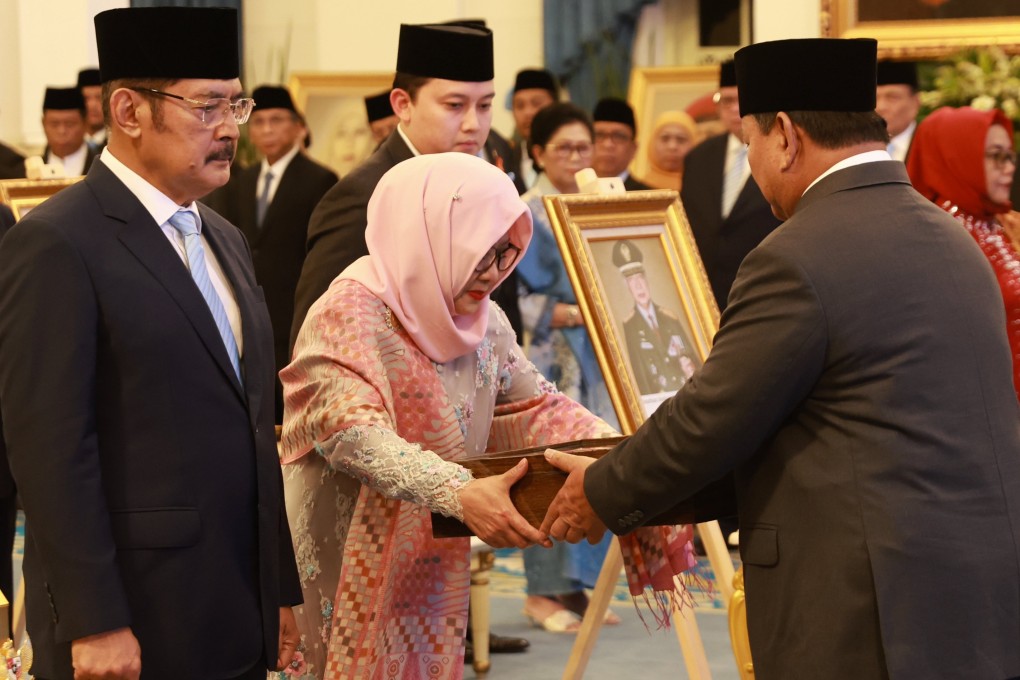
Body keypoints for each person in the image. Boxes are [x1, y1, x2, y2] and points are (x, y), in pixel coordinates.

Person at [540, 37, 1020, 680]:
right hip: (975, 594)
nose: (753, 163)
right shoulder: (951, 236)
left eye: (750, 145)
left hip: (867, 606)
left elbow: (712, 421)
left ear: (786, 136)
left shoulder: (796, 254)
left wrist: (598, 493)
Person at [0, 7, 302, 678]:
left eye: (236, 104)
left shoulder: (223, 238)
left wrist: (277, 583)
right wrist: (94, 620)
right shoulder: (57, 242)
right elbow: (49, 452)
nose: (230, 128)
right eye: (207, 107)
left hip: (235, 599)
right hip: (132, 615)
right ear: (130, 111)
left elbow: (254, 427)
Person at [280, 152, 613, 676]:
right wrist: (457, 493)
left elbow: (535, 406)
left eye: (509, 254)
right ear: (429, 235)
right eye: (482, 252)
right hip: (341, 552)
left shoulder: (485, 319)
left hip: (432, 549)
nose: (496, 272)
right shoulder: (348, 311)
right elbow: (353, 435)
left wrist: (617, 455)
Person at [291, 21, 524, 352]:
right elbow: (316, 337)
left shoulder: (483, 186)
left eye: (484, 106)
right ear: (403, 104)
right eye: (454, 106)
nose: (474, 124)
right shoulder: (363, 195)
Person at [516, 102, 620, 631]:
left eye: (585, 147)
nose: (578, 157)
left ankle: (581, 590)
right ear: (537, 153)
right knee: (549, 465)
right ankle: (542, 592)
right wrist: (570, 312)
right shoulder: (522, 213)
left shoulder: (595, 207)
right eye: (565, 147)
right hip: (547, 360)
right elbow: (507, 295)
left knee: (598, 459)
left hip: (600, 361)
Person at [210, 85, 337, 423]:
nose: (267, 129)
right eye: (260, 121)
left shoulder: (320, 179)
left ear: (299, 126)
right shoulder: (240, 180)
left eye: (277, 120)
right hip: (252, 307)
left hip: (296, 308)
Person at [906, 105, 1020, 398]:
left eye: (1009, 156)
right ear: (957, 157)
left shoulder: (1004, 223)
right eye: (996, 156)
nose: (1009, 167)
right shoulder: (934, 238)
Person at [681, 59, 782, 312]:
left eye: (742, 100)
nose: (735, 109)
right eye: (726, 101)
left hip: (761, 291)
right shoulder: (699, 156)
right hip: (702, 294)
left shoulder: (781, 153)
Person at [613, 239, 691, 395]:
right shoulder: (630, 326)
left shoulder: (670, 318)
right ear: (626, 286)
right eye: (631, 281)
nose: (638, 286)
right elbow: (640, 377)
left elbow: (693, 359)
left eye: (640, 278)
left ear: (647, 279)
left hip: (687, 392)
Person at [508, 68, 559, 192]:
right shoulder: (506, 157)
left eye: (537, 104)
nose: (528, 113)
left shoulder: (572, 157)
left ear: (556, 106)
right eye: (519, 106)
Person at [591, 97, 651, 190]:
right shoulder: (568, 195)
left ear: (633, 149)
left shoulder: (652, 199)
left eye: (618, 136)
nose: (608, 144)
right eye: (599, 135)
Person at [40, 86, 97, 177]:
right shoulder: (24, 171)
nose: (62, 131)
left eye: (69, 124)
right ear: (43, 124)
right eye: (54, 124)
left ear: (85, 123)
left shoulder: (102, 167)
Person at [641, 110, 701, 190]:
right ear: (652, 143)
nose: (672, 147)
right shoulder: (636, 191)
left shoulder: (704, 190)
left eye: (681, 140)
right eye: (665, 138)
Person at [876, 60, 920, 163]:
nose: (880, 107)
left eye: (893, 97)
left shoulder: (930, 147)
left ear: (916, 102)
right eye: (874, 99)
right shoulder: (855, 150)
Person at [78, 67, 107, 150]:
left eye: (99, 98)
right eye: (85, 98)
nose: (92, 105)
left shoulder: (119, 145)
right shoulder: (66, 144)